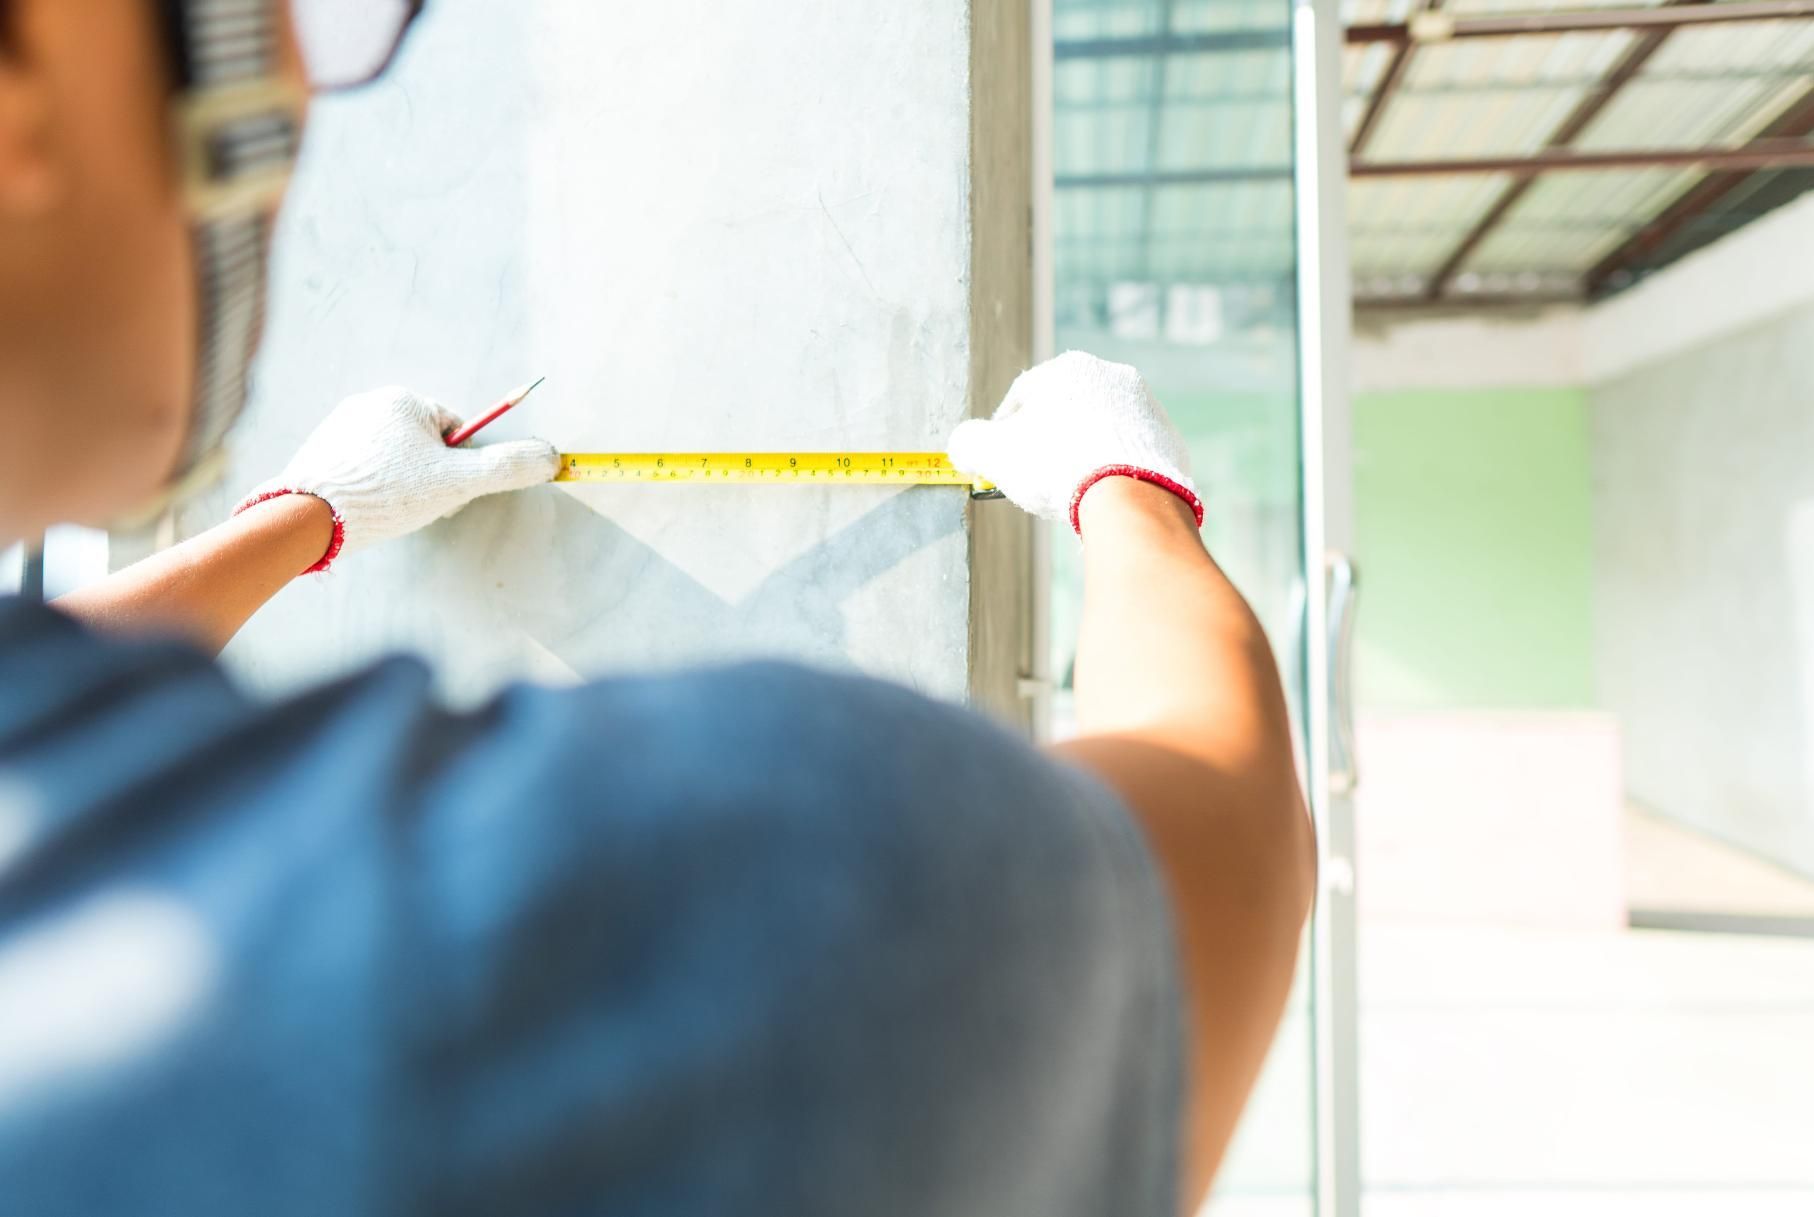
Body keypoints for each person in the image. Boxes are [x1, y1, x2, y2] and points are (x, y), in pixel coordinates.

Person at [0, 2, 1314, 1214]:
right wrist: (1123, 490)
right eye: (269, 12)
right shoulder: (622, 924)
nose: (301, 83)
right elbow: (1222, 820)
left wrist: (306, 516)